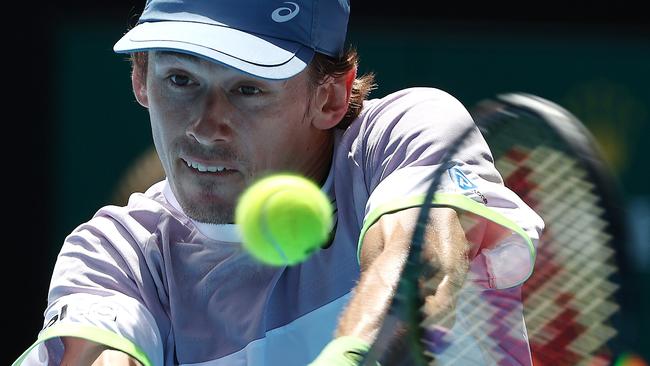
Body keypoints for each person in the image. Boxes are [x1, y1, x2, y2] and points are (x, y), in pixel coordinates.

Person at [14, 0, 544, 365]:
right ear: (139, 78)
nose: (204, 125)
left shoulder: (403, 134)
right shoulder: (117, 254)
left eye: (247, 89)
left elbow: (418, 268)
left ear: (330, 96)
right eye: (180, 80)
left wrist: (353, 353)